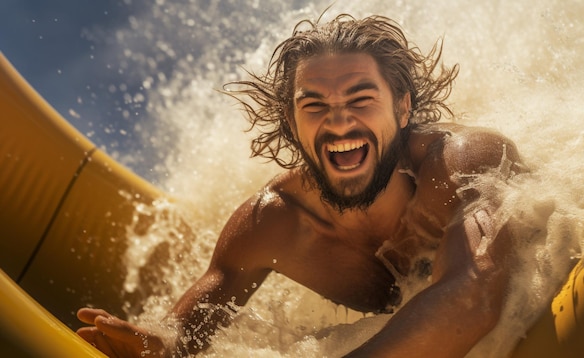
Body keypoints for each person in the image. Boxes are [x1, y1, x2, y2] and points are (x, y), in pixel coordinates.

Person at [77, 13, 525, 357]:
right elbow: (182, 332)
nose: (338, 120)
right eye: (314, 105)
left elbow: (476, 292)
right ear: (292, 124)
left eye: (361, 99)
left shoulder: (460, 163)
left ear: (403, 109)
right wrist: (157, 342)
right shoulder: (273, 223)